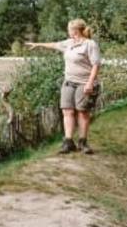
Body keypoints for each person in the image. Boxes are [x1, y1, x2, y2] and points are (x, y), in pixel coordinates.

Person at [25, 19, 101, 154]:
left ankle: (83, 142)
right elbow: (54, 45)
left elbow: (96, 64)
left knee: (82, 112)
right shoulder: (69, 43)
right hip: (69, 82)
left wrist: (90, 83)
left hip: (84, 83)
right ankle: (68, 142)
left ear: (75, 30)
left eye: (69, 29)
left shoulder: (90, 44)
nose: (68, 31)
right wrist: (37, 45)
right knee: (67, 111)